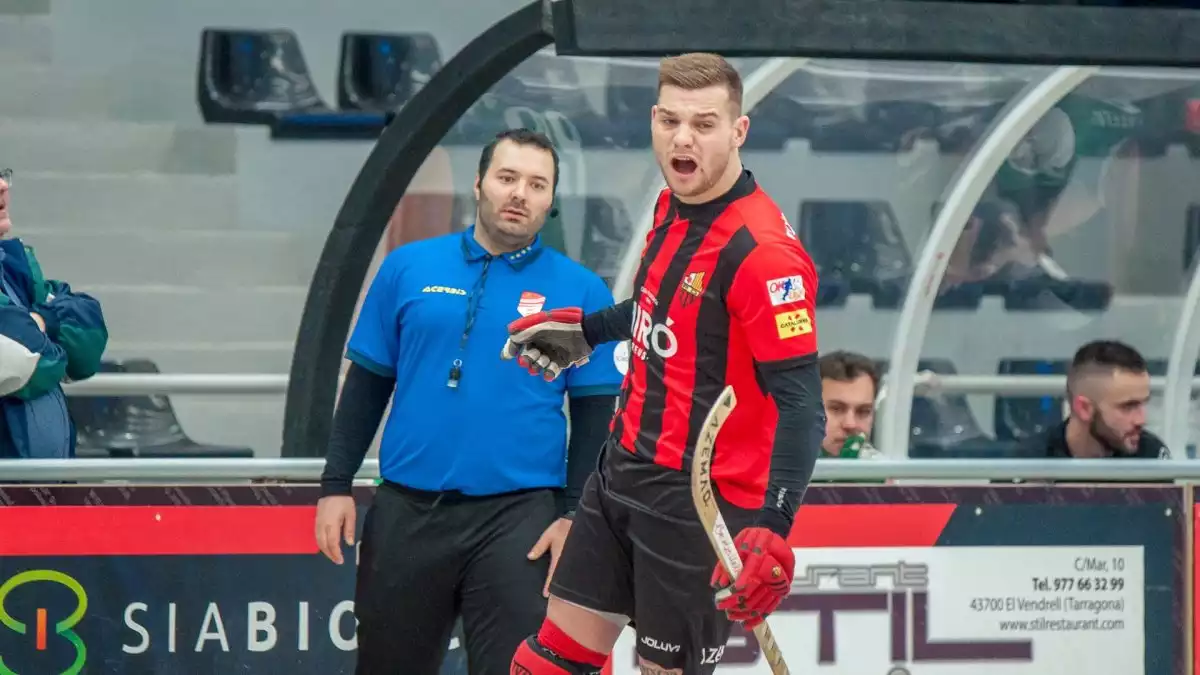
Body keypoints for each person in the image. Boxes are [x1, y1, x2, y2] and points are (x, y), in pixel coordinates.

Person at [501, 53, 825, 675]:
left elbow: (803, 404)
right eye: (670, 120)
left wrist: (774, 524)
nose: (683, 138)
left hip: (698, 504)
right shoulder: (670, 202)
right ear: (652, 120)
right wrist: (590, 332)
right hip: (620, 471)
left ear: (738, 131)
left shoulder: (764, 256)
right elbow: (663, 303)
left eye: (704, 124)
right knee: (546, 664)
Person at [313, 129, 623, 675]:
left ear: (551, 200)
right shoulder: (408, 268)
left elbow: (596, 415)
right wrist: (336, 485)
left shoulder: (581, 292)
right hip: (407, 511)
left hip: (521, 518)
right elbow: (366, 383)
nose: (520, 194)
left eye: (537, 184)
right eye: (507, 178)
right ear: (480, 184)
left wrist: (576, 513)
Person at [0, 168, 108, 458]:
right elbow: (17, 355)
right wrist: (45, 331)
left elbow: (88, 334)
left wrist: (41, 321)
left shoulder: (12, 266)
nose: (1, 186)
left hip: (44, 491)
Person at [1031, 339, 1169, 460]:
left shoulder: (1151, 456)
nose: (1141, 420)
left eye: (1143, 403)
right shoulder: (1028, 466)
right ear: (1084, 409)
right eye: (1128, 406)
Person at [818, 350, 882, 459]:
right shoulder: (781, 469)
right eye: (836, 409)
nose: (850, 424)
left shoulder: (888, 471)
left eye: (863, 411)